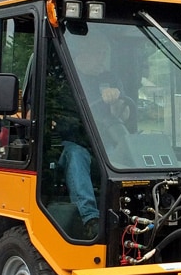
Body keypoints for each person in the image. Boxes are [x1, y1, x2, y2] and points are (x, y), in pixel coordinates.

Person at [46, 31, 131, 239]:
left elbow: (125, 115)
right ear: (84, 52)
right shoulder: (65, 79)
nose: (103, 57)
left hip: (104, 146)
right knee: (77, 155)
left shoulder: (109, 78)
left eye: (104, 52)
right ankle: (91, 219)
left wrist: (117, 101)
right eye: (98, 52)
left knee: (129, 148)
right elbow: (48, 113)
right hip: (69, 144)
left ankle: (130, 212)